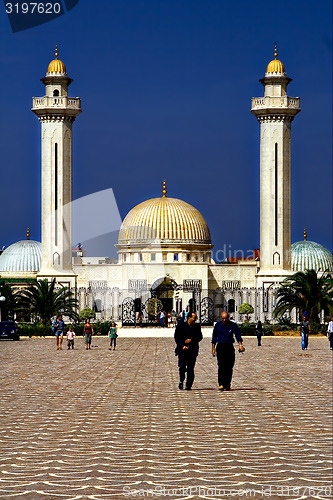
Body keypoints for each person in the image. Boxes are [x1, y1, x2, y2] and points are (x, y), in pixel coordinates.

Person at [212, 311, 245, 391]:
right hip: (220, 346)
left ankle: (227, 384)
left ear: (228, 318)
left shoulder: (233, 325)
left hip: (229, 346)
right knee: (221, 366)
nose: (224, 320)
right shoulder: (218, 325)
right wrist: (213, 348)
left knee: (229, 367)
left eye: (225, 318)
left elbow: (238, 335)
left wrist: (240, 345)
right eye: (222, 318)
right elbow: (214, 337)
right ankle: (221, 384)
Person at [174, 311, 202, 390]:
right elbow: (177, 337)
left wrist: (192, 340)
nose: (195, 320)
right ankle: (181, 381)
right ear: (189, 318)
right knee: (182, 367)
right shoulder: (181, 326)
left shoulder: (196, 326)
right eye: (194, 318)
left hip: (192, 350)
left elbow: (200, 337)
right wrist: (182, 345)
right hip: (182, 350)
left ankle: (188, 385)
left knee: (190, 368)